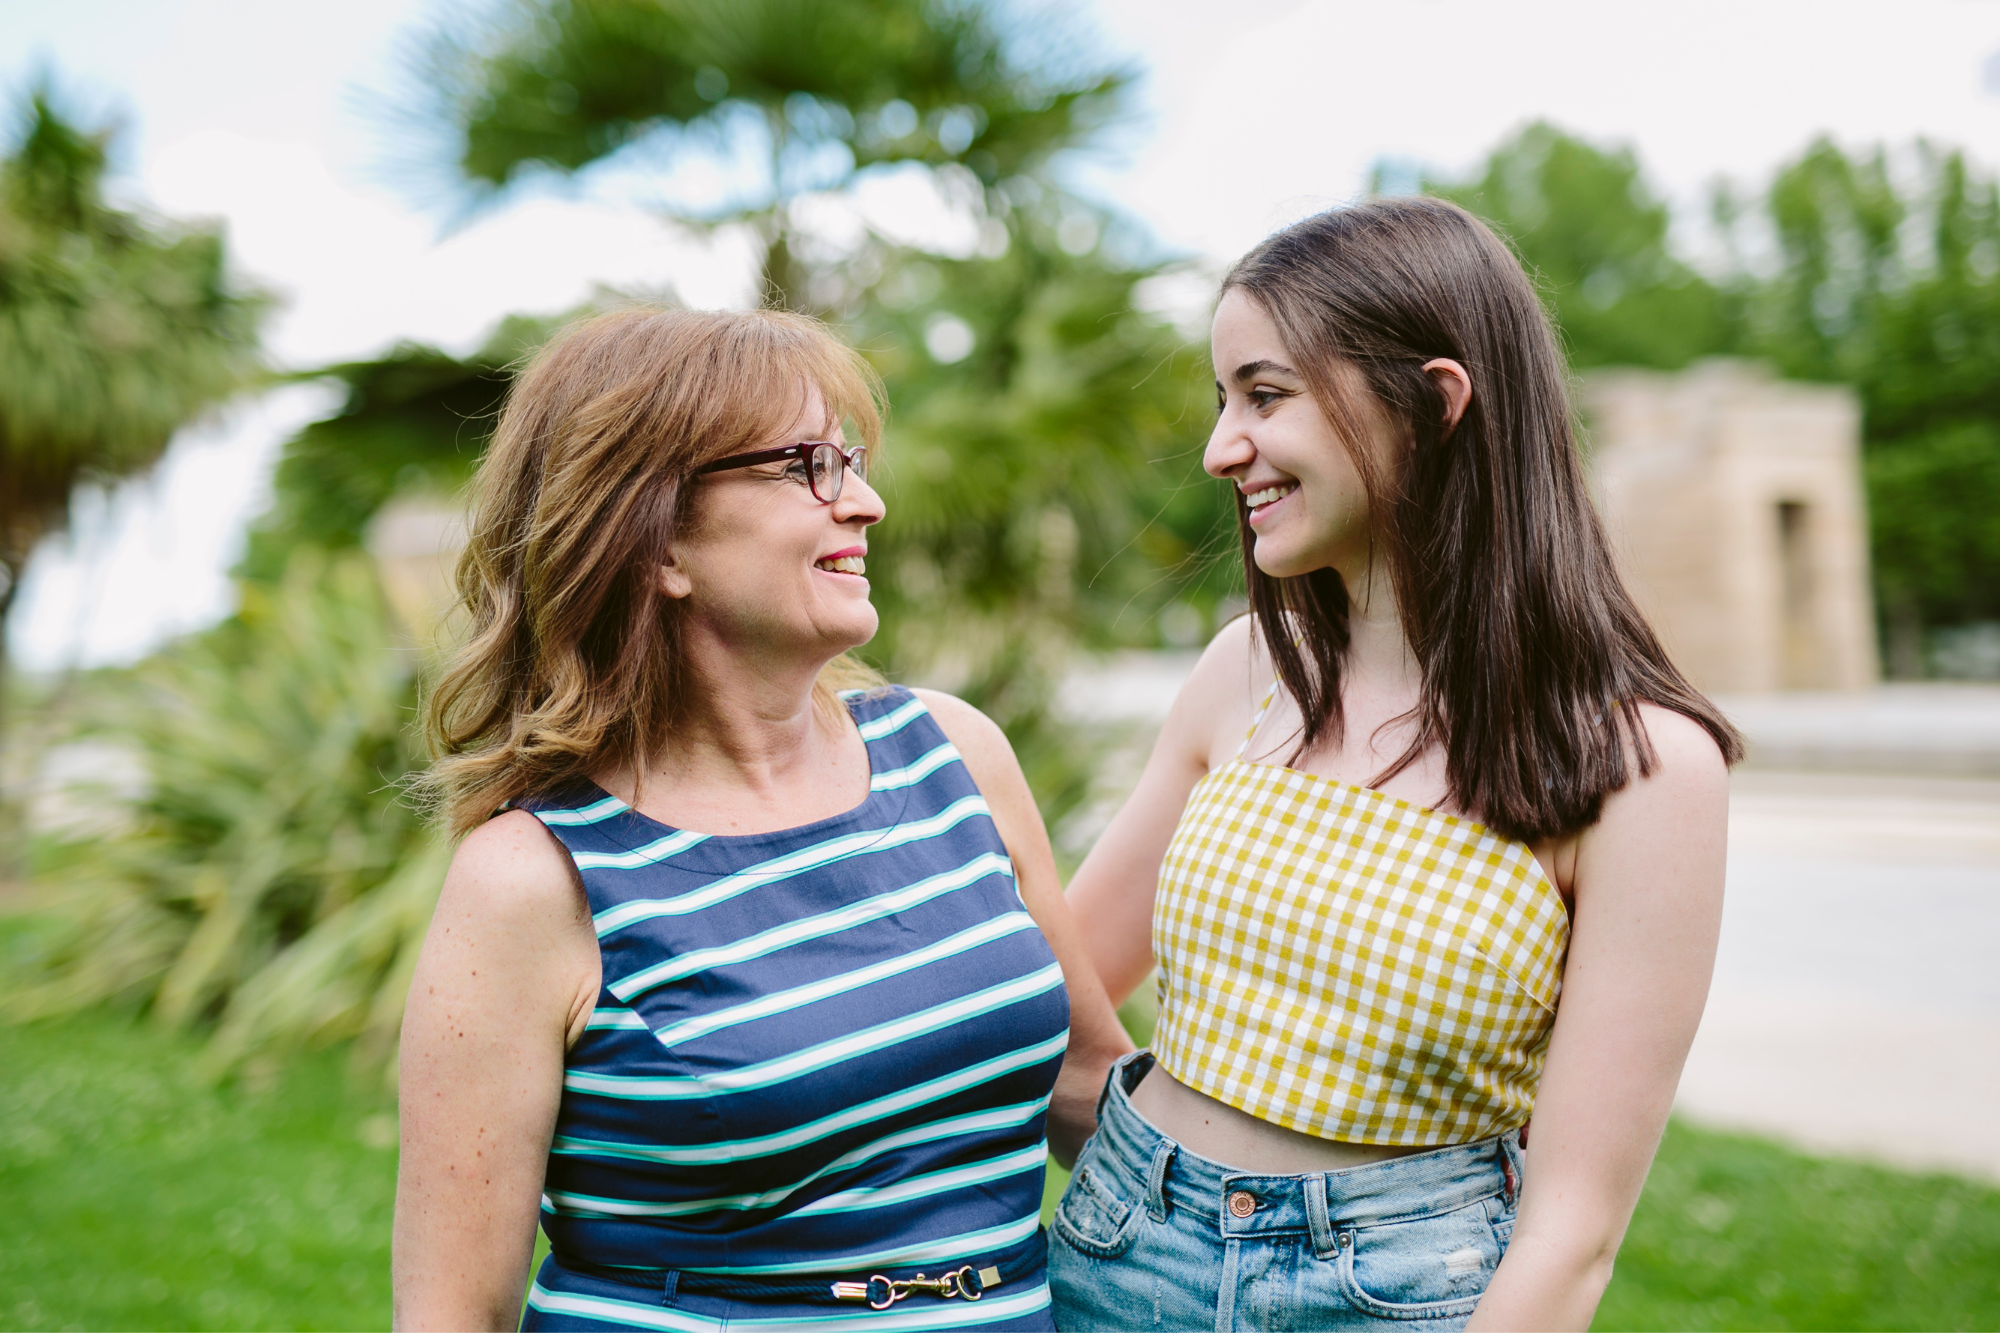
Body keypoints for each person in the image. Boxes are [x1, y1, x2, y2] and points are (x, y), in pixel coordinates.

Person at [1050, 197, 1740, 1331]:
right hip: (1118, 1261)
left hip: (1394, 1296)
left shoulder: (1643, 766)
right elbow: (1057, 998)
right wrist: (1144, 1169)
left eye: (1263, 395)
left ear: (1432, 401)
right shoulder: (1244, 672)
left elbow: (1572, 1229)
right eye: (1223, 400)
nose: (1222, 446)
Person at [391, 306, 1129, 1332]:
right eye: (806, 466)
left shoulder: (955, 755)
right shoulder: (533, 879)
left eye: (853, 459)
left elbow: (1094, 1092)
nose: (864, 502)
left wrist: (1354, 1147)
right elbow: (450, 1317)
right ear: (655, 542)